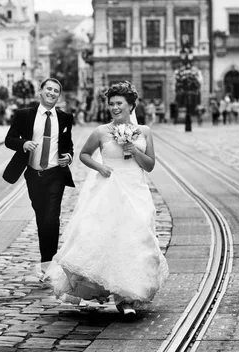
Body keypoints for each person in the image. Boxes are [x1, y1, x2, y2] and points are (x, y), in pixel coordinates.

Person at [44, 81, 168, 315]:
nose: (114, 108)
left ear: (132, 105)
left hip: (136, 190)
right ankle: (122, 299)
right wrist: (100, 168)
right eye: (111, 104)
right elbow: (84, 155)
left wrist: (133, 148)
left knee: (137, 240)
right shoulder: (101, 131)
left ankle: (130, 293)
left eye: (119, 103)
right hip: (110, 189)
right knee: (112, 239)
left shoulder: (145, 132)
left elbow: (149, 166)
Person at [3, 78, 75, 276]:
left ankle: (48, 264)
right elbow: (9, 140)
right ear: (40, 92)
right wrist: (23, 143)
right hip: (34, 175)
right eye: (49, 89)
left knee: (52, 218)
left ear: (59, 95)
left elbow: (68, 145)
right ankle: (47, 260)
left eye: (56, 91)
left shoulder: (65, 117)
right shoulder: (24, 115)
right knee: (42, 219)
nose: (52, 93)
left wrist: (68, 156)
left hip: (56, 175)